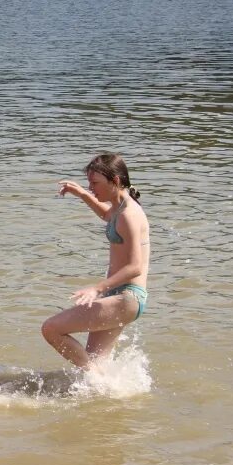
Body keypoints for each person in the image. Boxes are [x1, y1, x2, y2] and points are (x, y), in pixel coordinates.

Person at [41, 154, 150, 369]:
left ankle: (95, 379)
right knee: (94, 362)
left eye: (95, 183)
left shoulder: (129, 214)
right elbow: (106, 215)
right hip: (117, 296)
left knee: (51, 329)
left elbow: (135, 267)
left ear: (116, 181)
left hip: (127, 298)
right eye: (89, 183)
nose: (92, 188)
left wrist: (96, 288)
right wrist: (81, 193)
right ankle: (108, 392)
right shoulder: (119, 207)